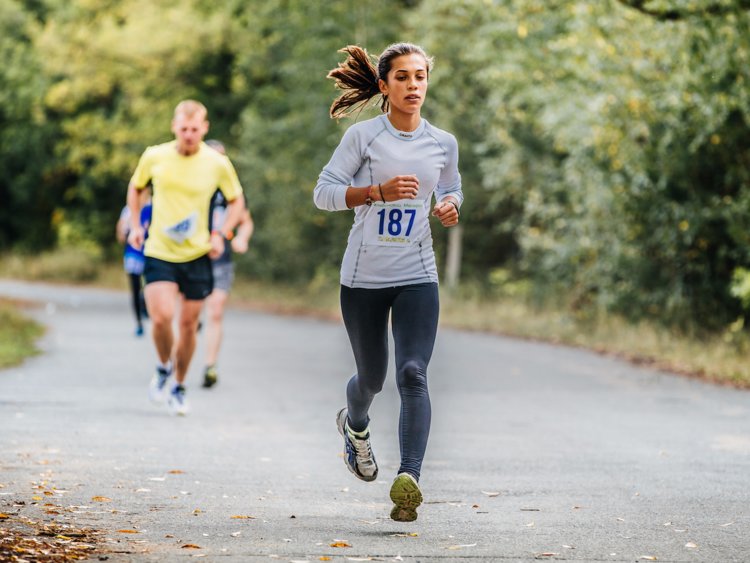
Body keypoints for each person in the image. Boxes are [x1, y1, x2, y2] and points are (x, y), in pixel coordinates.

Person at [314, 43, 463, 522]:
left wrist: (450, 206)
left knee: (413, 372)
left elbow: (452, 186)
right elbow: (324, 193)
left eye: (420, 77)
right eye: (402, 77)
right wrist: (374, 192)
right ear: (384, 86)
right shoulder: (363, 138)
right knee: (373, 378)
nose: (413, 86)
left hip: (417, 273)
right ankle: (354, 426)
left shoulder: (443, 142)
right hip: (363, 279)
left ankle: (410, 480)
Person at [126, 100, 245, 416]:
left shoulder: (217, 163)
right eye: (184, 129)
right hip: (159, 249)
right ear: (174, 127)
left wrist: (221, 234)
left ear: (204, 129)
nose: (189, 134)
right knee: (162, 316)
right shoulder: (155, 156)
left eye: (195, 129)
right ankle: (164, 364)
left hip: (197, 252)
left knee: (189, 324)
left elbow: (236, 201)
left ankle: (178, 385)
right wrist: (136, 226)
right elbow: (136, 188)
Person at [200, 139, 254, 388]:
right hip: (191, 258)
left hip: (220, 258)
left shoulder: (231, 190)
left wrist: (241, 237)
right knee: (189, 315)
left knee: (216, 310)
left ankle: (210, 366)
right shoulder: (191, 186)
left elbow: (245, 220)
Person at [116, 187, 152, 336]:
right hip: (133, 254)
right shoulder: (128, 210)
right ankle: (138, 323)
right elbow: (121, 235)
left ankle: (148, 309)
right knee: (135, 288)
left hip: (151, 253)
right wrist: (125, 229)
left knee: (151, 287)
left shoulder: (154, 208)